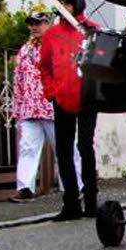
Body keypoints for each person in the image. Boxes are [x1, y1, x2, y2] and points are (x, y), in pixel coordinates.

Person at [38, 0, 100, 221]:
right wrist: (51, 91)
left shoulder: (92, 30)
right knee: (63, 151)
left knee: (85, 146)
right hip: (62, 99)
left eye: (69, 4)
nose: (65, 9)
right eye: (62, 5)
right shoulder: (51, 35)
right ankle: (71, 203)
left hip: (87, 98)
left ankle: (91, 200)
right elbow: (44, 66)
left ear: (77, 5)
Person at [9, 11, 80, 202]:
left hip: (52, 107)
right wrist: (17, 107)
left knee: (64, 148)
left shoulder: (55, 45)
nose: (34, 27)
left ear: (47, 24)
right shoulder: (24, 51)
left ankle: (75, 186)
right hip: (30, 108)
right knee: (27, 148)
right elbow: (18, 80)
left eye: (38, 23)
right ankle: (25, 187)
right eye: (31, 24)